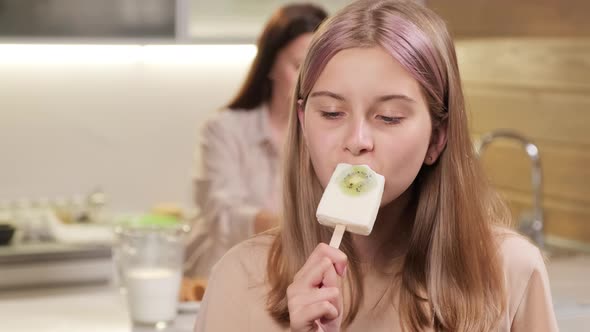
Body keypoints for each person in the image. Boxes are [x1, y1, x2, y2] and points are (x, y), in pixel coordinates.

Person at [194, 0, 559, 331]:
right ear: (304, 124)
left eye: (389, 117)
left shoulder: (511, 271)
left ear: (437, 138)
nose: (357, 140)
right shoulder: (239, 278)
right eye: (332, 113)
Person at [182, 3, 328, 283]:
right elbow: (221, 212)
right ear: (270, 65)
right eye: (298, 66)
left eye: (319, 68)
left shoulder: (333, 136)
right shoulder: (224, 128)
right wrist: (293, 227)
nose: (308, 81)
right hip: (226, 275)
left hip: (297, 279)